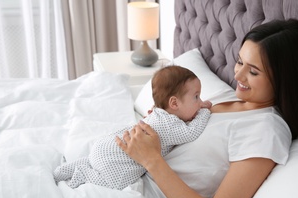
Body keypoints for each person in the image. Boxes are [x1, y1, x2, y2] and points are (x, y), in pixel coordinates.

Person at [116, 19, 298, 198]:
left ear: (282, 79)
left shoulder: (267, 129)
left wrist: (151, 160)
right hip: (126, 179)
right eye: (240, 62)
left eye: (254, 72)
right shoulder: (228, 101)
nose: (237, 75)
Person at [53, 65, 212, 190]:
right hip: (115, 161)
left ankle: (64, 170)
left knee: (90, 161)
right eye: (196, 97)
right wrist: (205, 110)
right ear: (174, 103)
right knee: (112, 182)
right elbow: (192, 132)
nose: (200, 102)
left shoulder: (157, 113)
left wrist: (197, 105)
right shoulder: (170, 125)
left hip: (105, 146)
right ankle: (82, 175)